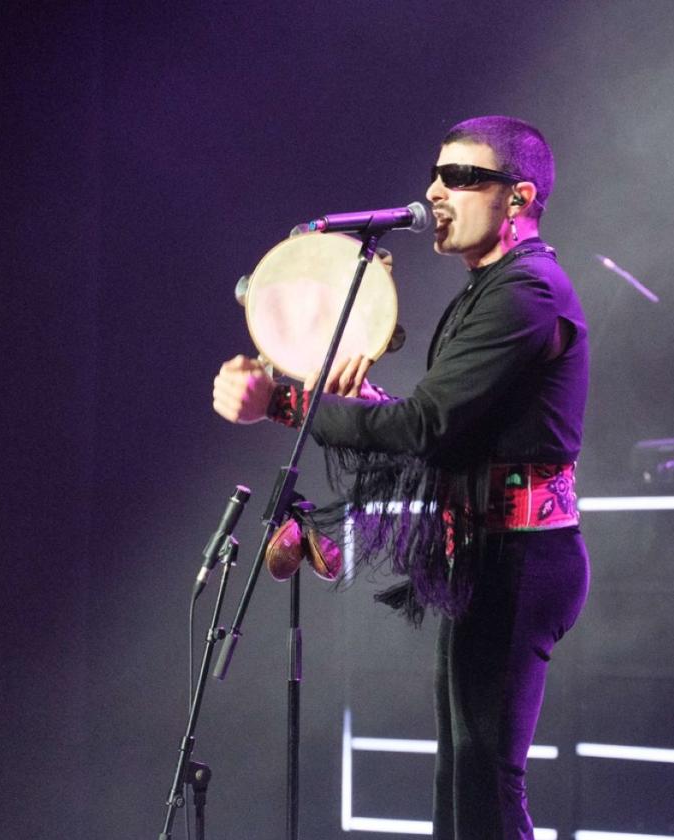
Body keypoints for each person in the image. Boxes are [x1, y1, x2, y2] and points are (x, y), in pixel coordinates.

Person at [212, 116, 590, 840]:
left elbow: (426, 429)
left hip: (521, 560)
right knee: (463, 776)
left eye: (461, 178)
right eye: (435, 173)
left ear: (518, 198)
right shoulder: (489, 290)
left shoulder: (527, 293)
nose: (434, 192)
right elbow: (442, 433)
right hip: (487, 556)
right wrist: (364, 408)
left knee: (485, 781)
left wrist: (286, 402)